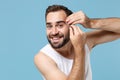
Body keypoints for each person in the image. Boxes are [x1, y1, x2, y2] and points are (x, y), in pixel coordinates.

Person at [34, 4, 120, 80]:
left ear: (71, 26)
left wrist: (91, 23)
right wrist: (79, 48)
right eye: (49, 26)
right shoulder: (43, 58)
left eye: (60, 25)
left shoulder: (84, 40)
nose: (54, 32)